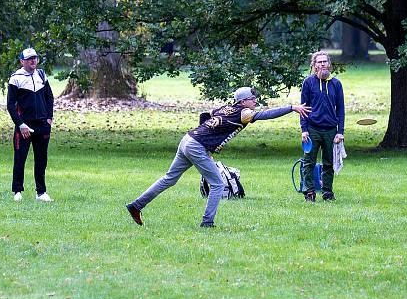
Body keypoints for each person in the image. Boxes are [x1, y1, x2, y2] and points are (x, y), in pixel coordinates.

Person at [126, 87, 310, 227]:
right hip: (195, 145)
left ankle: (136, 205)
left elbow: (205, 116)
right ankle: (207, 223)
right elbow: (265, 115)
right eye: (253, 99)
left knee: (169, 179)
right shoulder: (244, 113)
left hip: (188, 140)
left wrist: (204, 148)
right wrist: (291, 107)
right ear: (244, 101)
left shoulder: (226, 108)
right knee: (218, 184)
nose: (255, 102)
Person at [6, 47, 55, 202]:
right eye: (29, 59)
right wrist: (20, 124)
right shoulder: (15, 78)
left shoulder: (41, 74)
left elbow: (49, 98)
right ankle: (17, 191)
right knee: (20, 159)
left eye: (35, 58)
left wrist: (49, 119)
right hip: (24, 127)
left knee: (41, 159)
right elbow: (10, 105)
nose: (33, 61)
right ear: (22, 61)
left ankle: (41, 192)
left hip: (42, 125)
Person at [300, 51, 345, 202]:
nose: (322, 64)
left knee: (328, 163)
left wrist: (340, 132)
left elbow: (341, 109)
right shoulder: (308, 82)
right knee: (309, 162)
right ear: (313, 65)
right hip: (312, 129)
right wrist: (304, 130)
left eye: (325, 61)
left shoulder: (336, 84)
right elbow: (303, 108)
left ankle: (327, 192)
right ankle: (309, 192)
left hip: (331, 130)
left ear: (329, 64)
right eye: (319, 62)